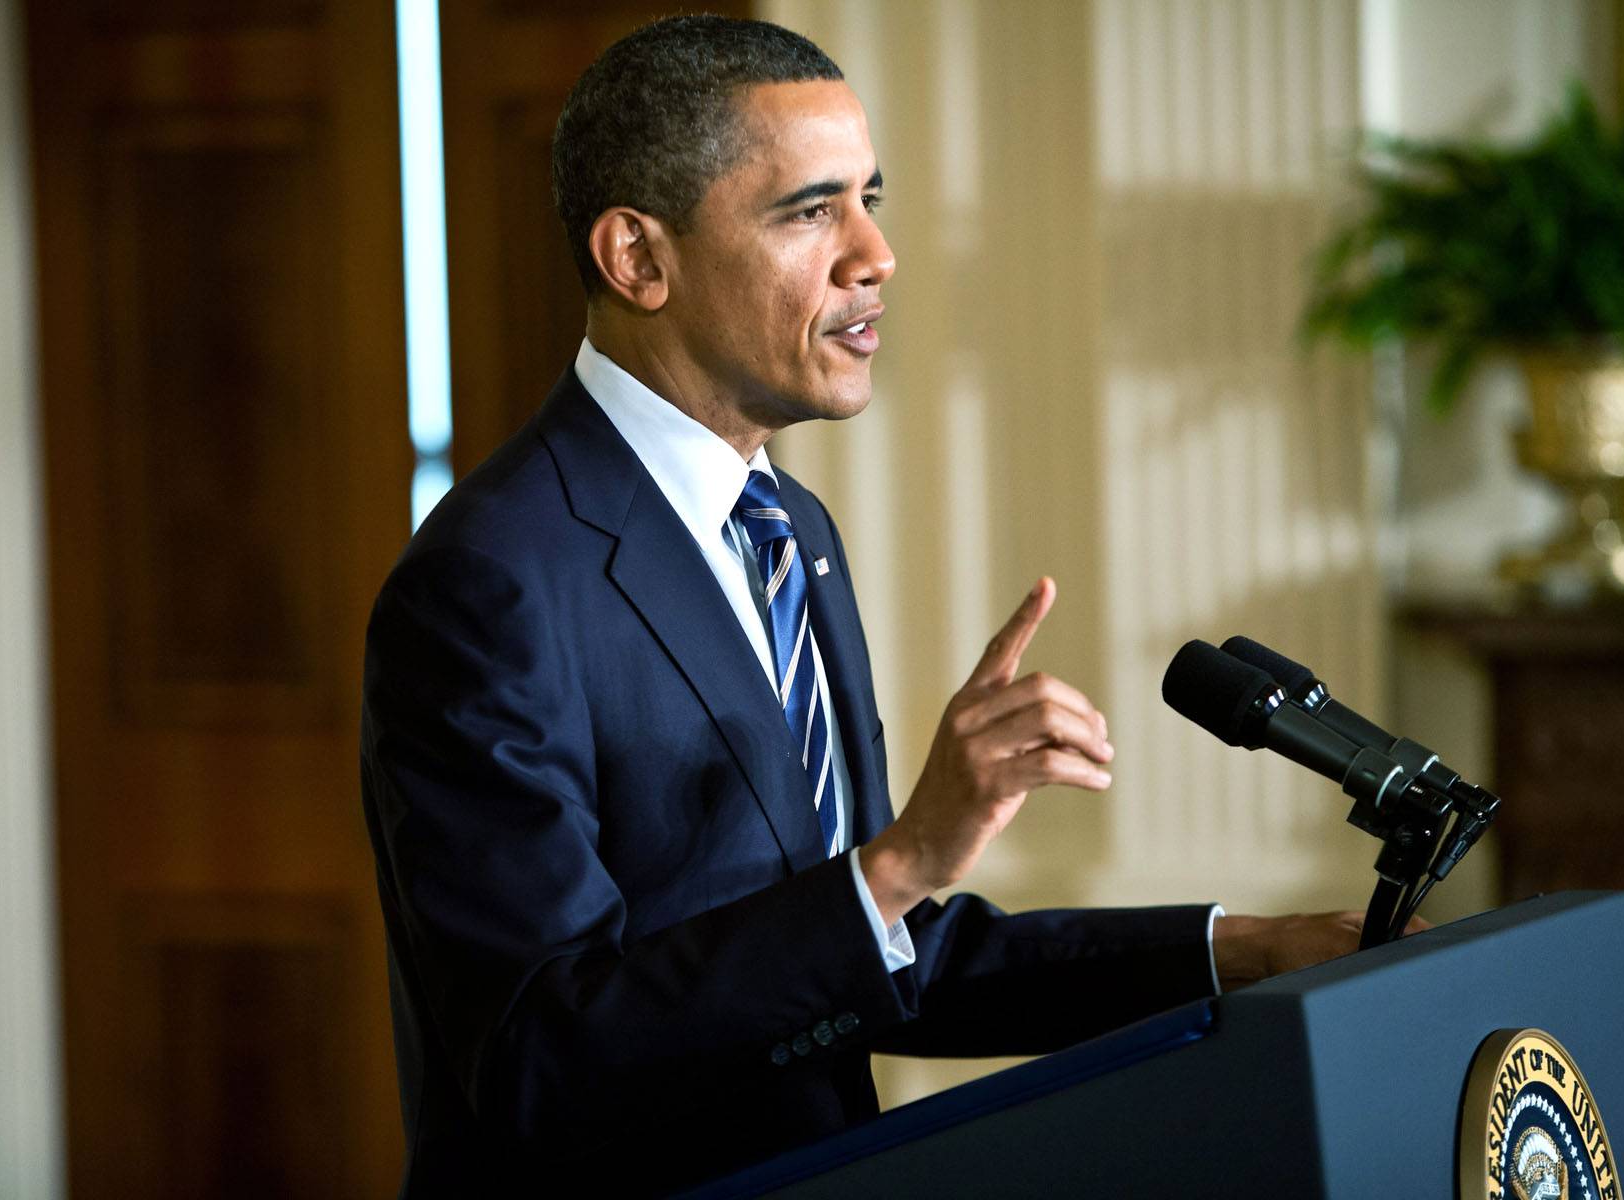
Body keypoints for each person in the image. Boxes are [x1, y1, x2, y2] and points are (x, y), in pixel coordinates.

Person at [360, 14, 1376, 1195]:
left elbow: (863, 955)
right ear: (639, 259)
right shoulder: (485, 587)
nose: (876, 253)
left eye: (870, 199)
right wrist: (899, 866)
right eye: (809, 210)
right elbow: (539, 1055)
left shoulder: (791, 534)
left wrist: (1244, 951)